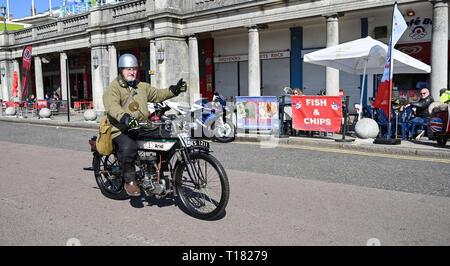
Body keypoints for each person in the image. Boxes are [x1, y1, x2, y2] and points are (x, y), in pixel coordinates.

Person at [103, 53, 186, 196]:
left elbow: (158, 94)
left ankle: (158, 173)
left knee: (166, 137)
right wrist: (125, 118)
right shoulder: (114, 87)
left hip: (140, 126)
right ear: (121, 70)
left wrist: (174, 90)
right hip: (120, 128)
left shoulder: (141, 86)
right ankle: (129, 181)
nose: (132, 72)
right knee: (129, 146)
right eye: (128, 69)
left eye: (134, 69)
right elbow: (111, 106)